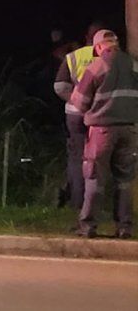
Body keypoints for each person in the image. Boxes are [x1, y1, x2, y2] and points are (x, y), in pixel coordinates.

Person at [70, 29, 138, 238]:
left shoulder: (97, 66)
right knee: (125, 180)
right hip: (130, 129)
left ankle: (88, 225)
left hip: (102, 130)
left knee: (94, 178)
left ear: (99, 47)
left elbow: (79, 102)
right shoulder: (133, 64)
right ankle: (125, 227)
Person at [52, 22, 105, 210]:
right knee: (100, 158)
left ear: (87, 37)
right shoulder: (111, 59)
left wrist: (76, 101)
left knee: (76, 159)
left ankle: (77, 203)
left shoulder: (75, 56)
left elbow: (59, 86)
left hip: (75, 114)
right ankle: (99, 205)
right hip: (102, 114)